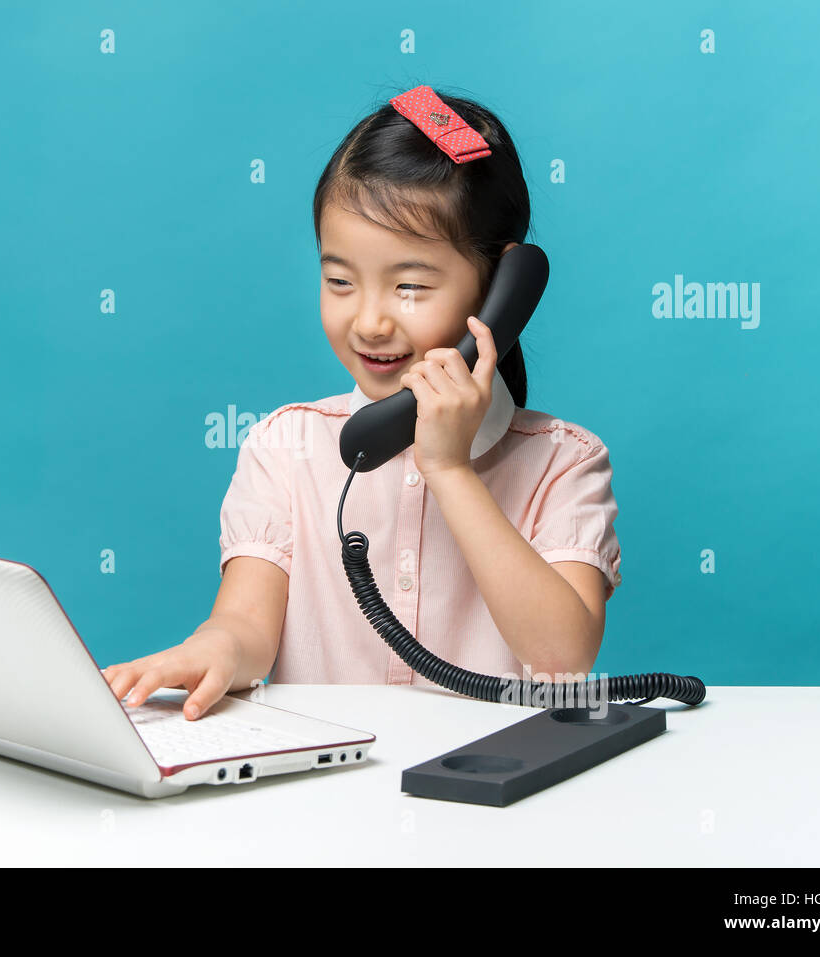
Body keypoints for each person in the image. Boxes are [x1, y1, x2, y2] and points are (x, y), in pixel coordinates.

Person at [103, 85, 621, 720]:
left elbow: (563, 661)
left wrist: (451, 470)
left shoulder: (564, 463)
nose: (369, 322)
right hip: (329, 797)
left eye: (409, 286)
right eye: (340, 282)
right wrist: (208, 649)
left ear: (502, 290)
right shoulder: (285, 448)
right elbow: (245, 624)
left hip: (494, 797)